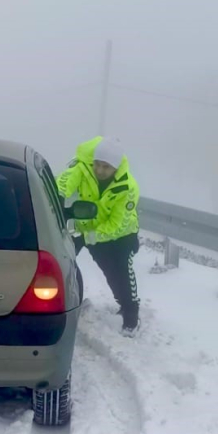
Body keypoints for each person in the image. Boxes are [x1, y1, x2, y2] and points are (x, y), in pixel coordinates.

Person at [57, 135, 140, 333]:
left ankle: (131, 316)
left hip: (121, 237)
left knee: (121, 274)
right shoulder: (83, 167)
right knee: (104, 271)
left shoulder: (128, 187)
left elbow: (117, 225)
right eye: (98, 164)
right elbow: (65, 180)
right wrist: (59, 195)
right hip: (90, 231)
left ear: (116, 167)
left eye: (106, 167)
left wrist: (88, 237)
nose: (100, 170)